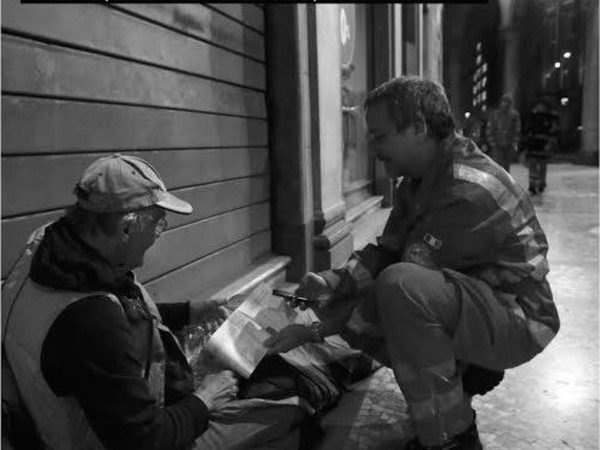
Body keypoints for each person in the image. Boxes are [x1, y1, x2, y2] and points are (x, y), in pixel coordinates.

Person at [266, 77, 560, 450]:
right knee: (384, 289)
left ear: (419, 127)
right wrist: (332, 281)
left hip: (520, 319)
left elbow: (399, 282)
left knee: (400, 290)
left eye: (381, 136)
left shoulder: (467, 191)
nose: (373, 149)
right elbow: (388, 249)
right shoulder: (422, 179)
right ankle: (466, 376)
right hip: (483, 302)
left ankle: (452, 437)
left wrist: (313, 331)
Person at [2, 154, 305, 450]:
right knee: (289, 409)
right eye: (159, 222)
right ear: (126, 227)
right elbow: (146, 439)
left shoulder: (53, 248)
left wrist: (190, 311)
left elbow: (112, 312)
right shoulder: (90, 320)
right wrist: (206, 398)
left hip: (63, 413)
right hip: (110, 438)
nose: (160, 233)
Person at [524, 98, 559, 195]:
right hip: (533, 145)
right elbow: (527, 130)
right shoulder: (532, 117)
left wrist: (550, 142)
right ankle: (532, 184)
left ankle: (541, 184)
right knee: (533, 166)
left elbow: (554, 131)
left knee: (542, 166)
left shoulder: (550, 118)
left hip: (544, 145)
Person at [486, 94, 521, 172]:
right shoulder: (495, 115)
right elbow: (490, 129)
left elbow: (517, 130)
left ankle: (505, 181)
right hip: (497, 144)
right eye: (504, 101)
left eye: (507, 102)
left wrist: (514, 143)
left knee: (506, 165)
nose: (505, 104)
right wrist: (492, 143)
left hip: (508, 144)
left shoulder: (514, 115)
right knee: (497, 165)